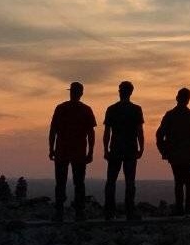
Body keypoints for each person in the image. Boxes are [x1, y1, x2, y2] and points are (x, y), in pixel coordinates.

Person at [155, 87, 190, 216]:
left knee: (179, 182)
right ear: (188, 100)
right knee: (188, 182)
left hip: (177, 154)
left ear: (177, 98)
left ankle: (181, 209)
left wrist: (164, 150)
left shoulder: (171, 115)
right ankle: (187, 210)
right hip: (189, 154)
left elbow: (159, 135)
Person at [49, 81, 96, 222]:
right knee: (78, 183)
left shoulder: (61, 108)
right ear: (81, 93)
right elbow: (91, 134)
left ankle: (60, 213)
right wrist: (91, 152)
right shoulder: (86, 110)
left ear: (71, 92)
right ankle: (78, 213)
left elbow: (53, 131)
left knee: (61, 182)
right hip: (77, 152)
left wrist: (51, 149)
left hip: (63, 151)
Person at [102, 80, 145, 221]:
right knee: (129, 181)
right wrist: (141, 147)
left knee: (111, 181)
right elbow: (139, 131)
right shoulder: (136, 109)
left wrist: (106, 149)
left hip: (116, 148)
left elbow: (107, 132)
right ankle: (129, 212)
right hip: (130, 149)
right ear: (131, 92)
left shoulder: (112, 109)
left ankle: (109, 212)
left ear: (120, 91)